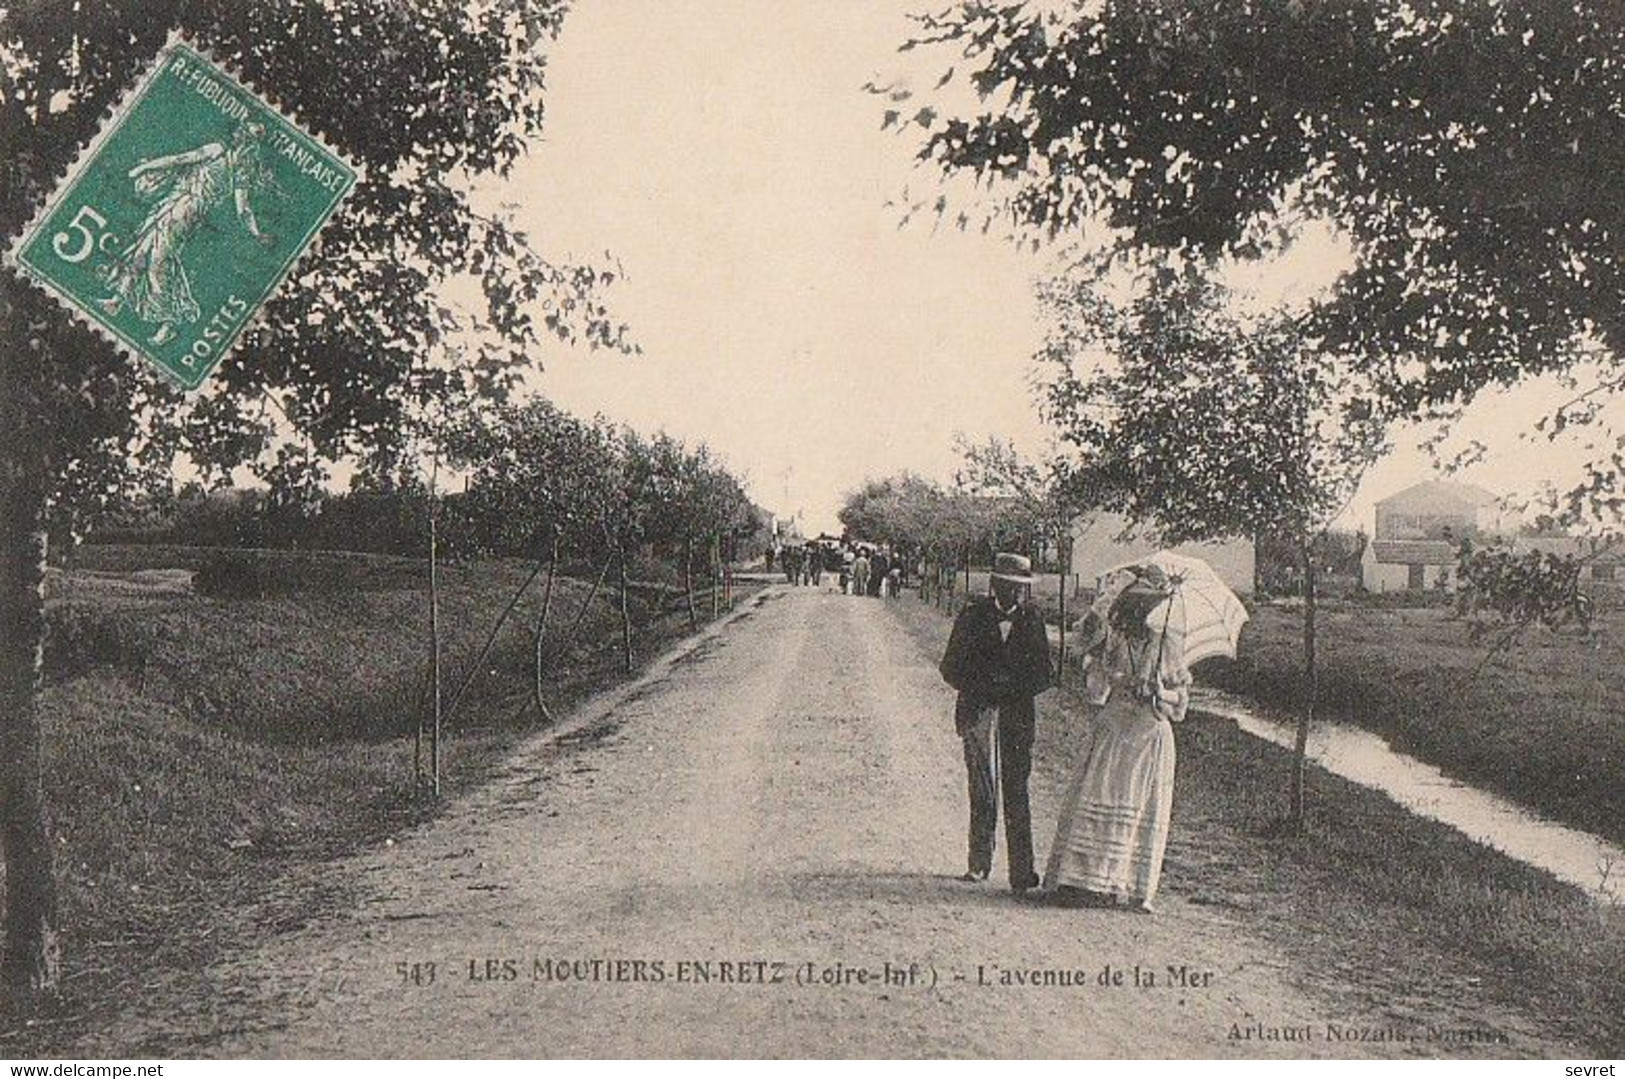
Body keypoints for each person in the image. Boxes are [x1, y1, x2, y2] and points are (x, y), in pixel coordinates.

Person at [1042, 569, 1191, 912]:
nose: (1144, 612)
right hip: (1114, 731)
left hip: (1150, 735)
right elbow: (1096, 692)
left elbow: (1181, 705)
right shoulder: (1113, 640)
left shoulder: (1167, 644)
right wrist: (1114, 677)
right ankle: (1084, 882)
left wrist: (1159, 691)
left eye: (1151, 604)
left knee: (1138, 810)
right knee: (1101, 797)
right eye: (1137, 603)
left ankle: (1123, 884)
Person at [938, 552, 1054, 892]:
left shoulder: (1033, 620)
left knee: (1017, 787)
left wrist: (1013, 688)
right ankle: (978, 862)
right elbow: (950, 667)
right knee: (982, 787)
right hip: (978, 709)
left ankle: (1022, 870)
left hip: (1016, 713)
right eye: (1009, 586)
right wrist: (984, 686)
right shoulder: (973, 617)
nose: (1016, 593)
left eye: (1022, 588)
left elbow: (1045, 673)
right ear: (995, 585)